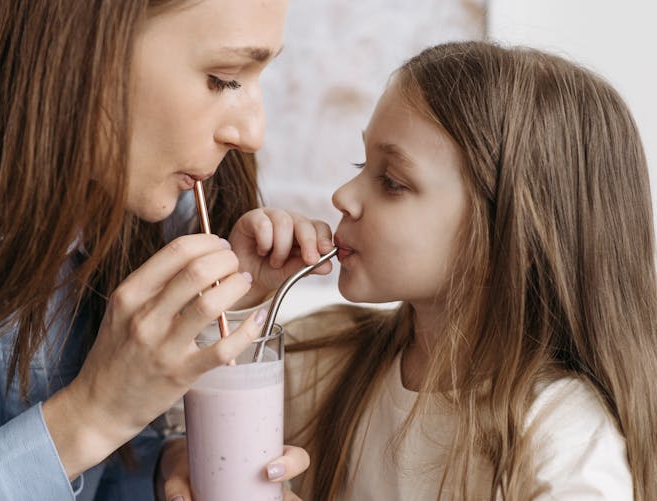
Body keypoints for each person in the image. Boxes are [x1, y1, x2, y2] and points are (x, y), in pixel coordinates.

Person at [161, 41, 657, 500]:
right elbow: (168, 419)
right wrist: (241, 295)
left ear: (512, 230)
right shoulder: (330, 356)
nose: (343, 197)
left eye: (392, 181)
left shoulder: (563, 434)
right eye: (361, 164)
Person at [0, 0, 329, 499]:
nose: (252, 135)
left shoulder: (146, 208)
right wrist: (95, 415)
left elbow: (102, 475)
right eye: (223, 77)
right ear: (76, 37)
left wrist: (162, 468)